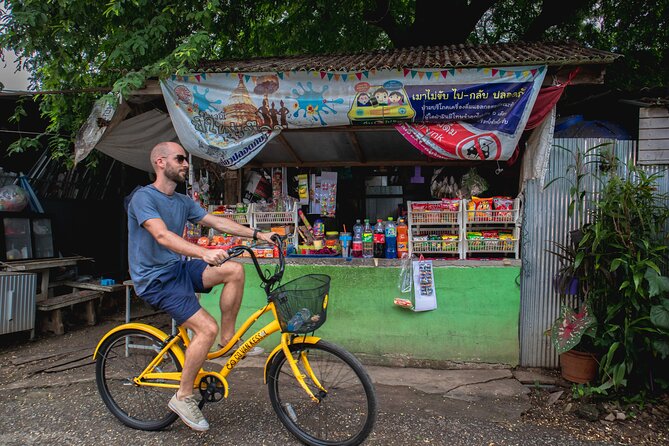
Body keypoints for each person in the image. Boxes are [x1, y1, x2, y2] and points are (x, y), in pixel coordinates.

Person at [127, 142, 276, 432]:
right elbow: (162, 236)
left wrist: (259, 234)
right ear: (160, 162)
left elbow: (216, 222)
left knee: (233, 270)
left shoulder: (182, 202)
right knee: (206, 327)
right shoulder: (143, 198)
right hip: (155, 280)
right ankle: (183, 396)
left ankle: (229, 339)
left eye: (185, 159)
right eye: (179, 158)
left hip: (178, 269)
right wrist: (203, 253)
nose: (185, 164)